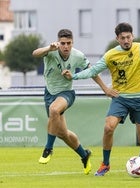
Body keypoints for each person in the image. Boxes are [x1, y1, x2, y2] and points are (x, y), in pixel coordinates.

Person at [62, 22, 140, 176]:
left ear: (132, 36)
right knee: (108, 128)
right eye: (123, 38)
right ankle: (105, 164)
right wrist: (74, 76)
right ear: (118, 39)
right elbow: (93, 70)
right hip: (120, 98)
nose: (126, 40)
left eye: (128, 37)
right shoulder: (111, 55)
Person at [32, 29, 117, 175]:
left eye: (68, 43)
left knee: (54, 110)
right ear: (59, 42)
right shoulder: (51, 51)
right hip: (49, 94)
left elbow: (92, 72)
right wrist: (48, 48)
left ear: (72, 43)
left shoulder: (78, 55)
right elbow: (35, 53)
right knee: (62, 133)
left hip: (66, 94)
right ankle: (84, 155)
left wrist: (105, 88)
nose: (65, 46)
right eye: (63, 43)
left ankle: (48, 149)